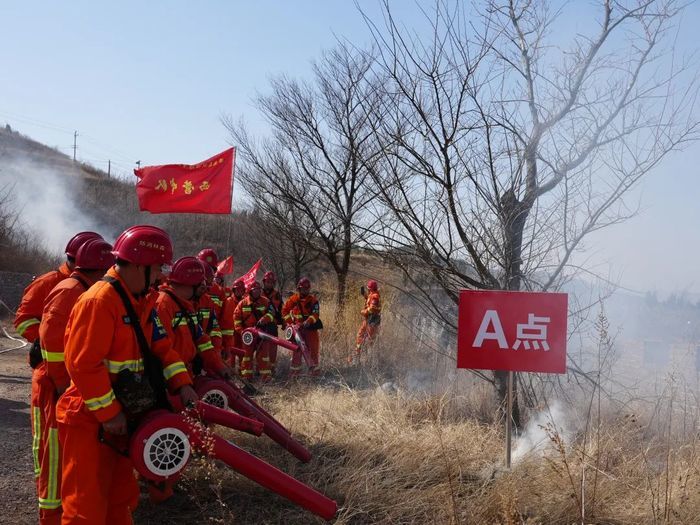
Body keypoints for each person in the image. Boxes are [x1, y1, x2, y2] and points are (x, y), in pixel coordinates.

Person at [56, 225, 197, 524]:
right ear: (138, 265)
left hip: (121, 418)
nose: (161, 275)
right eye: (157, 267)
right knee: (86, 507)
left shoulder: (142, 303)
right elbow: (83, 364)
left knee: (121, 500)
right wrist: (109, 413)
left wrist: (183, 384)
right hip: (90, 419)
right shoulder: (100, 301)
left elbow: (163, 349)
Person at [32, 239, 114, 525]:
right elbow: (54, 347)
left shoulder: (81, 289)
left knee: (65, 460)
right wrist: (62, 385)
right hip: (54, 386)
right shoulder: (70, 292)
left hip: (65, 385)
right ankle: (50, 517)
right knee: (53, 456)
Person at [15, 231, 102, 368]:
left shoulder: (94, 285)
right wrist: (45, 338)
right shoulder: (47, 283)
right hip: (50, 364)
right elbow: (23, 320)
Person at [234, 281, 276, 382]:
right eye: (254, 290)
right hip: (248, 335)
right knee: (247, 357)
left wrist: (265, 318)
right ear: (250, 291)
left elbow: (272, 313)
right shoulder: (243, 303)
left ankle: (266, 378)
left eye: (258, 290)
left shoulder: (266, 301)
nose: (257, 292)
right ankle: (246, 378)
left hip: (262, 333)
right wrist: (243, 332)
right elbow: (236, 319)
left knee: (263, 356)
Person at [282, 277, 322, 377]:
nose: (306, 290)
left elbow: (316, 314)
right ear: (299, 289)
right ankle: (295, 376)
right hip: (298, 330)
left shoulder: (313, 301)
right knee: (297, 352)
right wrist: (291, 323)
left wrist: (309, 321)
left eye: (307, 289)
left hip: (310, 330)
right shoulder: (293, 299)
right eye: (304, 288)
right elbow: (284, 311)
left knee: (313, 351)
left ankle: (315, 375)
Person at [353, 279, 382, 363]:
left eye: (369, 288)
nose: (368, 289)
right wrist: (364, 295)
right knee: (360, 335)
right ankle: (357, 354)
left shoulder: (375, 296)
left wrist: (364, 312)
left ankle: (369, 360)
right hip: (367, 320)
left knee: (370, 340)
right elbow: (369, 300)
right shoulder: (371, 294)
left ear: (371, 289)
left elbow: (372, 308)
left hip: (372, 320)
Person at [220, 279, 246, 369]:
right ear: (234, 290)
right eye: (237, 290)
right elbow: (226, 320)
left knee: (242, 354)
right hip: (230, 334)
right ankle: (230, 374)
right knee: (231, 355)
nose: (239, 292)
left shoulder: (244, 302)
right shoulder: (229, 301)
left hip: (241, 332)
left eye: (241, 290)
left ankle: (242, 373)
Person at [261, 271, 283, 374]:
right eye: (267, 282)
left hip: (272, 325)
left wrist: (283, 322)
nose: (269, 284)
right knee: (261, 348)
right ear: (264, 282)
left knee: (273, 349)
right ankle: (260, 369)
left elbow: (282, 310)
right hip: (260, 325)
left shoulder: (277, 295)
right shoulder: (258, 292)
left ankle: (272, 369)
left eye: (271, 282)